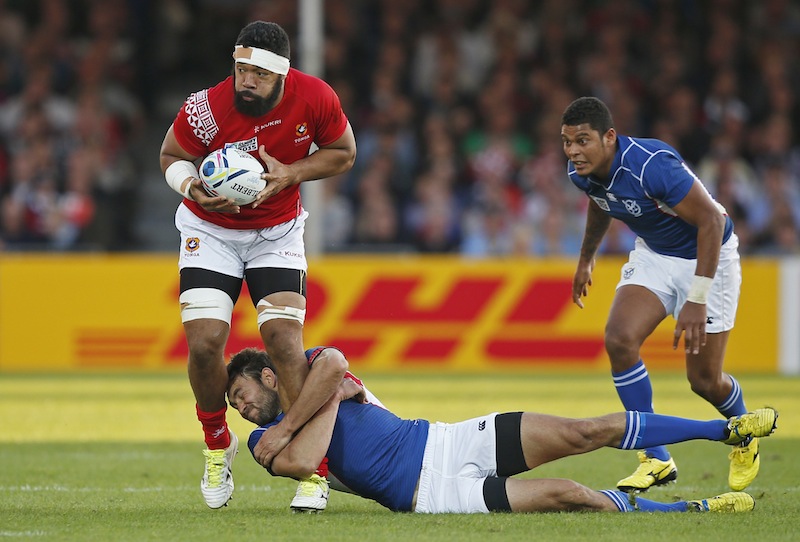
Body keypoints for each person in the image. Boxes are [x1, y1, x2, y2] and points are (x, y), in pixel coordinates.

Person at [158, 20, 357, 511]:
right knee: (205, 343)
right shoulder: (205, 107)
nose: (246, 81)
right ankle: (215, 443)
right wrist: (193, 188)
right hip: (211, 230)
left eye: (258, 75)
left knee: (285, 343)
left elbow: (344, 153)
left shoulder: (316, 99)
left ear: (282, 76)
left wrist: (293, 172)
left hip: (277, 233)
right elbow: (170, 154)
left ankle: (314, 470)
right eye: (240, 70)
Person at [226, 346, 778, 514]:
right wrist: (326, 402)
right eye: (233, 407)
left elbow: (335, 360)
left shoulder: (308, 375)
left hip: (447, 437)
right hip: (432, 495)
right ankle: (695, 510)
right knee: (571, 495)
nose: (242, 411)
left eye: (241, 396)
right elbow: (303, 463)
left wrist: (324, 392)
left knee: (586, 430)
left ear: (268, 376)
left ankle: (722, 430)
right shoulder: (262, 443)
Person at [560, 96, 756, 494]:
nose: (573, 152)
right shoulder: (581, 172)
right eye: (567, 142)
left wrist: (698, 298)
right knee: (619, 339)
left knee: (703, 381)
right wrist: (586, 259)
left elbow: (711, 222)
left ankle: (744, 434)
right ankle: (656, 458)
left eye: (582, 140)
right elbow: (601, 203)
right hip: (655, 254)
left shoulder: (652, 164)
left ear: (609, 137)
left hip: (710, 255)